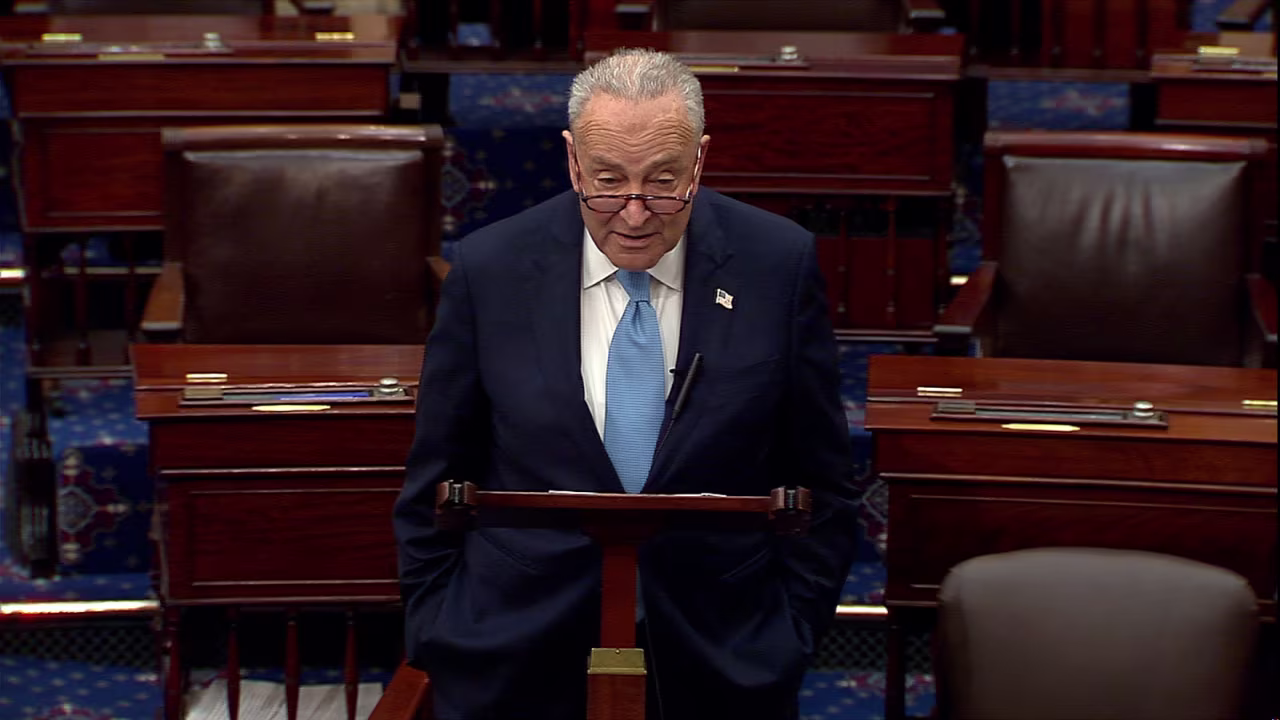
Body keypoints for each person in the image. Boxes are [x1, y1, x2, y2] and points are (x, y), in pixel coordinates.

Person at [394, 48, 858, 720]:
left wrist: (791, 632)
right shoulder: (490, 269)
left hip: (721, 644)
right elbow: (433, 480)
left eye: (663, 183)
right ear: (571, 160)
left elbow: (824, 481)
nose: (635, 215)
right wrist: (440, 627)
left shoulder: (775, 264)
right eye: (608, 182)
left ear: (699, 161)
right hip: (516, 641)